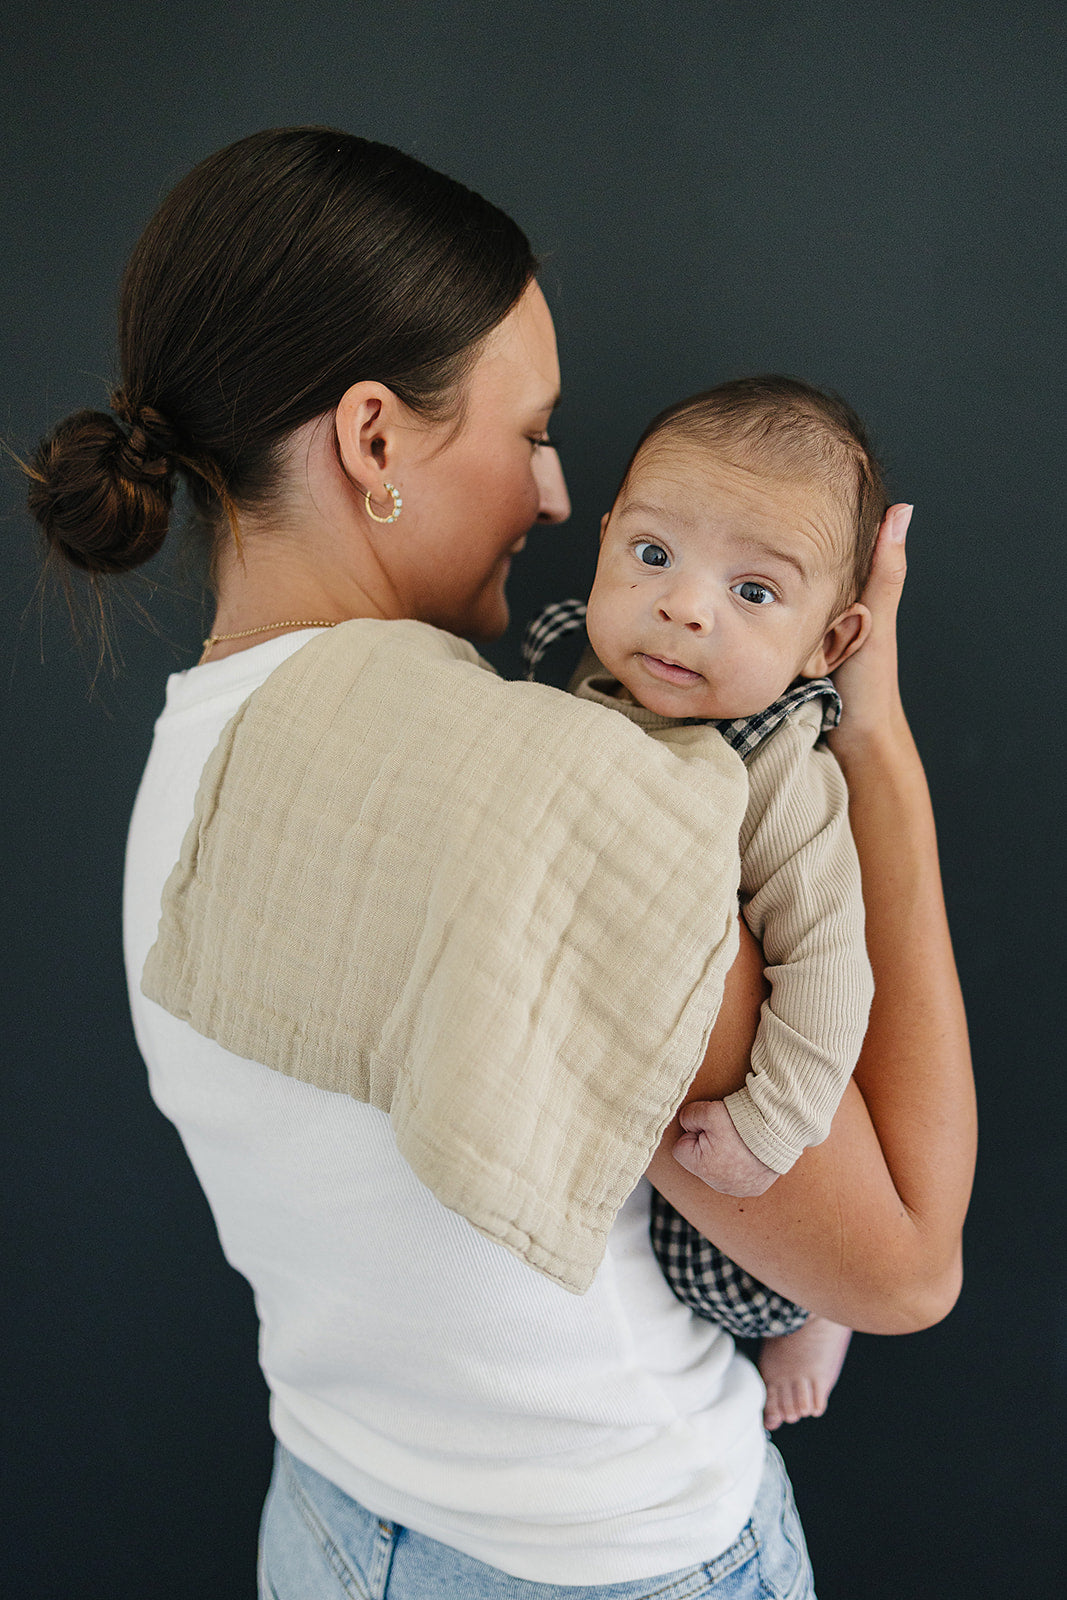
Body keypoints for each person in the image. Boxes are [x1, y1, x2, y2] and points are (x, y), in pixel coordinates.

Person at [25, 127, 975, 1599]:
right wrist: (875, 741)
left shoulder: (188, 763)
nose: (550, 495)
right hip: (610, 1556)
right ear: (371, 441)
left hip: (334, 1520)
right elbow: (903, 1269)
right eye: (526, 430)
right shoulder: (549, 792)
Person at [527, 375, 888, 1429]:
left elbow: (829, 964)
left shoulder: (775, 765)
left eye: (753, 592)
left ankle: (819, 1314)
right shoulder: (570, 671)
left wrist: (768, 1124)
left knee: (733, 1275)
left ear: (826, 644)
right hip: (615, 1074)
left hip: (752, 1103)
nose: (683, 606)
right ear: (602, 544)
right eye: (650, 556)